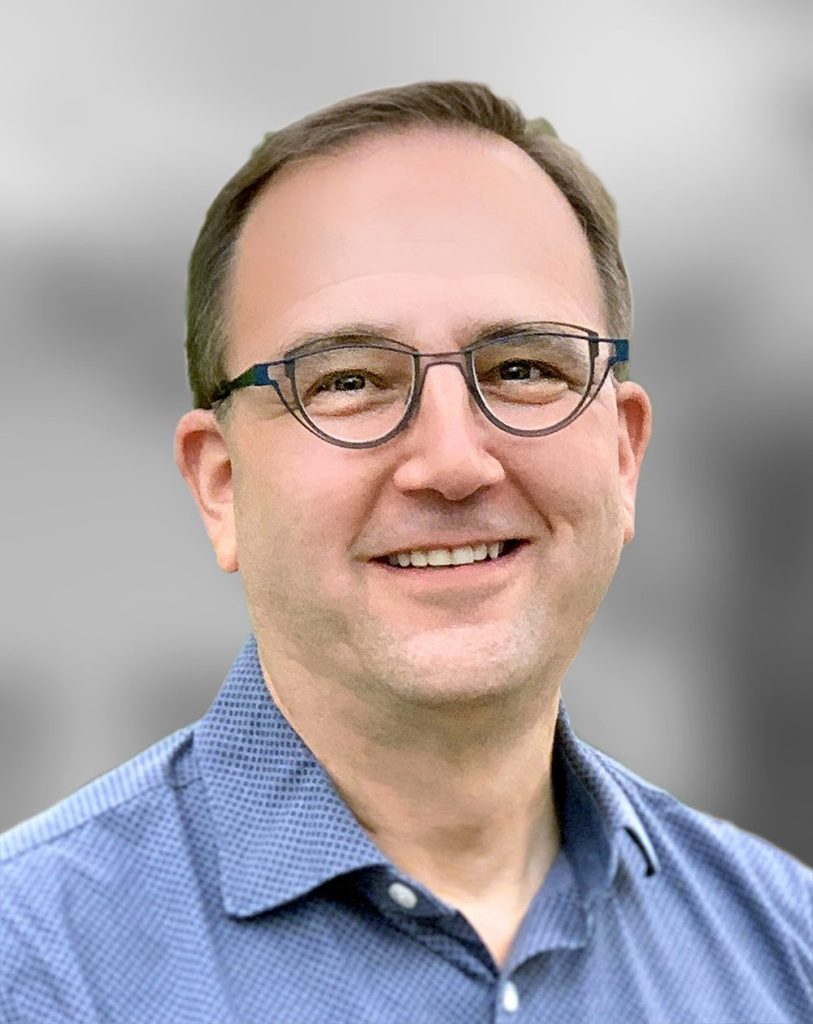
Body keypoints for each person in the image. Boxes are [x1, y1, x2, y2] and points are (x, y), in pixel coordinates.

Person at [0, 81, 810, 1024]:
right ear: (220, 484)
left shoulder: (783, 950)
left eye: (522, 369)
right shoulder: (35, 966)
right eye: (348, 381)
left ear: (624, 455)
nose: (453, 463)